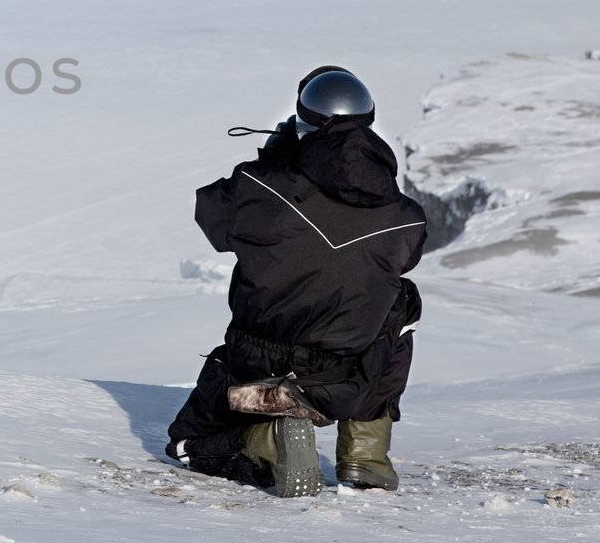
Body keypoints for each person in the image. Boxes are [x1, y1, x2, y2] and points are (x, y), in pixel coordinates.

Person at [164, 66, 426, 497]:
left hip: (258, 366)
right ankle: (366, 456)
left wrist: (275, 159)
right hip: (348, 376)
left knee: (190, 445)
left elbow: (210, 214)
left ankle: (269, 439)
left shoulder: (259, 186)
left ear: (302, 120)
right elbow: (402, 260)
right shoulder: (405, 216)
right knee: (401, 303)